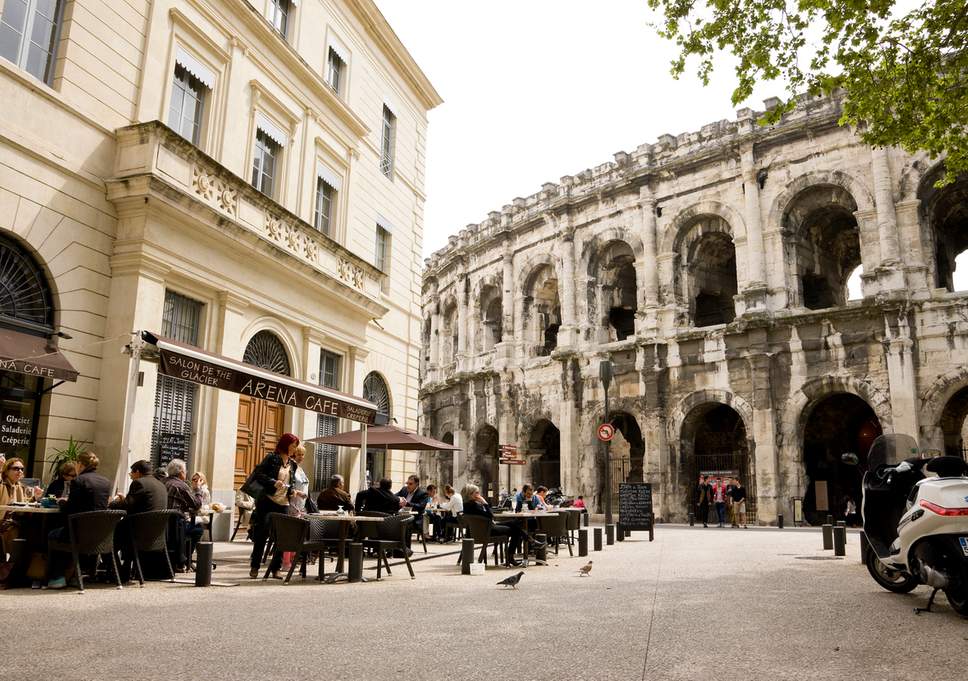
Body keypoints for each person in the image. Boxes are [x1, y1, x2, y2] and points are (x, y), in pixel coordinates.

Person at [45, 451, 112, 589]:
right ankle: (75, 575)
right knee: (64, 532)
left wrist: (62, 502)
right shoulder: (105, 481)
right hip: (99, 534)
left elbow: (70, 509)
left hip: (78, 532)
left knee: (52, 533)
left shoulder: (79, 481)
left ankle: (57, 577)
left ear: (80, 464)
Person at [248, 433, 299, 579]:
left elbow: (291, 482)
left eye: (296, 446)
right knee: (261, 534)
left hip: (283, 503)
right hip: (267, 500)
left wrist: (292, 490)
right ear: (285, 445)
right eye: (293, 445)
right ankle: (255, 566)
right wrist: (273, 482)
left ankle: (276, 568)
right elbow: (258, 474)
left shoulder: (293, 464)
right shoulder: (272, 458)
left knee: (281, 537)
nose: (295, 449)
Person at [462, 483, 526, 567]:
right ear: (470, 494)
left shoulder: (466, 505)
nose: (479, 495)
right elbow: (490, 515)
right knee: (515, 530)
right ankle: (511, 556)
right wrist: (485, 503)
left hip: (482, 530)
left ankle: (527, 538)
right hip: (488, 531)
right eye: (476, 493)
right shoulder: (474, 506)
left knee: (513, 523)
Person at [164, 459, 203, 571]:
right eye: (185, 471)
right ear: (181, 472)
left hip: (161, 524)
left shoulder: (162, 482)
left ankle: (181, 558)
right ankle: (184, 559)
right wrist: (198, 489)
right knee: (198, 529)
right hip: (174, 526)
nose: (186, 473)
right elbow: (196, 504)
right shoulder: (181, 486)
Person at [1, 457, 41, 557]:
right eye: (16, 468)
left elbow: (23, 505)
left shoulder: (19, 486)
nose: (20, 471)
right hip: (4, 522)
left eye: (22, 469)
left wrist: (35, 497)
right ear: (6, 471)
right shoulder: (2, 484)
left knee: (37, 527)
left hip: (14, 522)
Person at [288, 446, 310, 515]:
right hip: (292, 505)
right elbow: (286, 485)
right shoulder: (290, 468)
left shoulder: (300, 469)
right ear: (294, 455)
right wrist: (298, 492)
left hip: (302, 506)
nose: (301, 457)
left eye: (302, 455)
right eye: (299, 454)